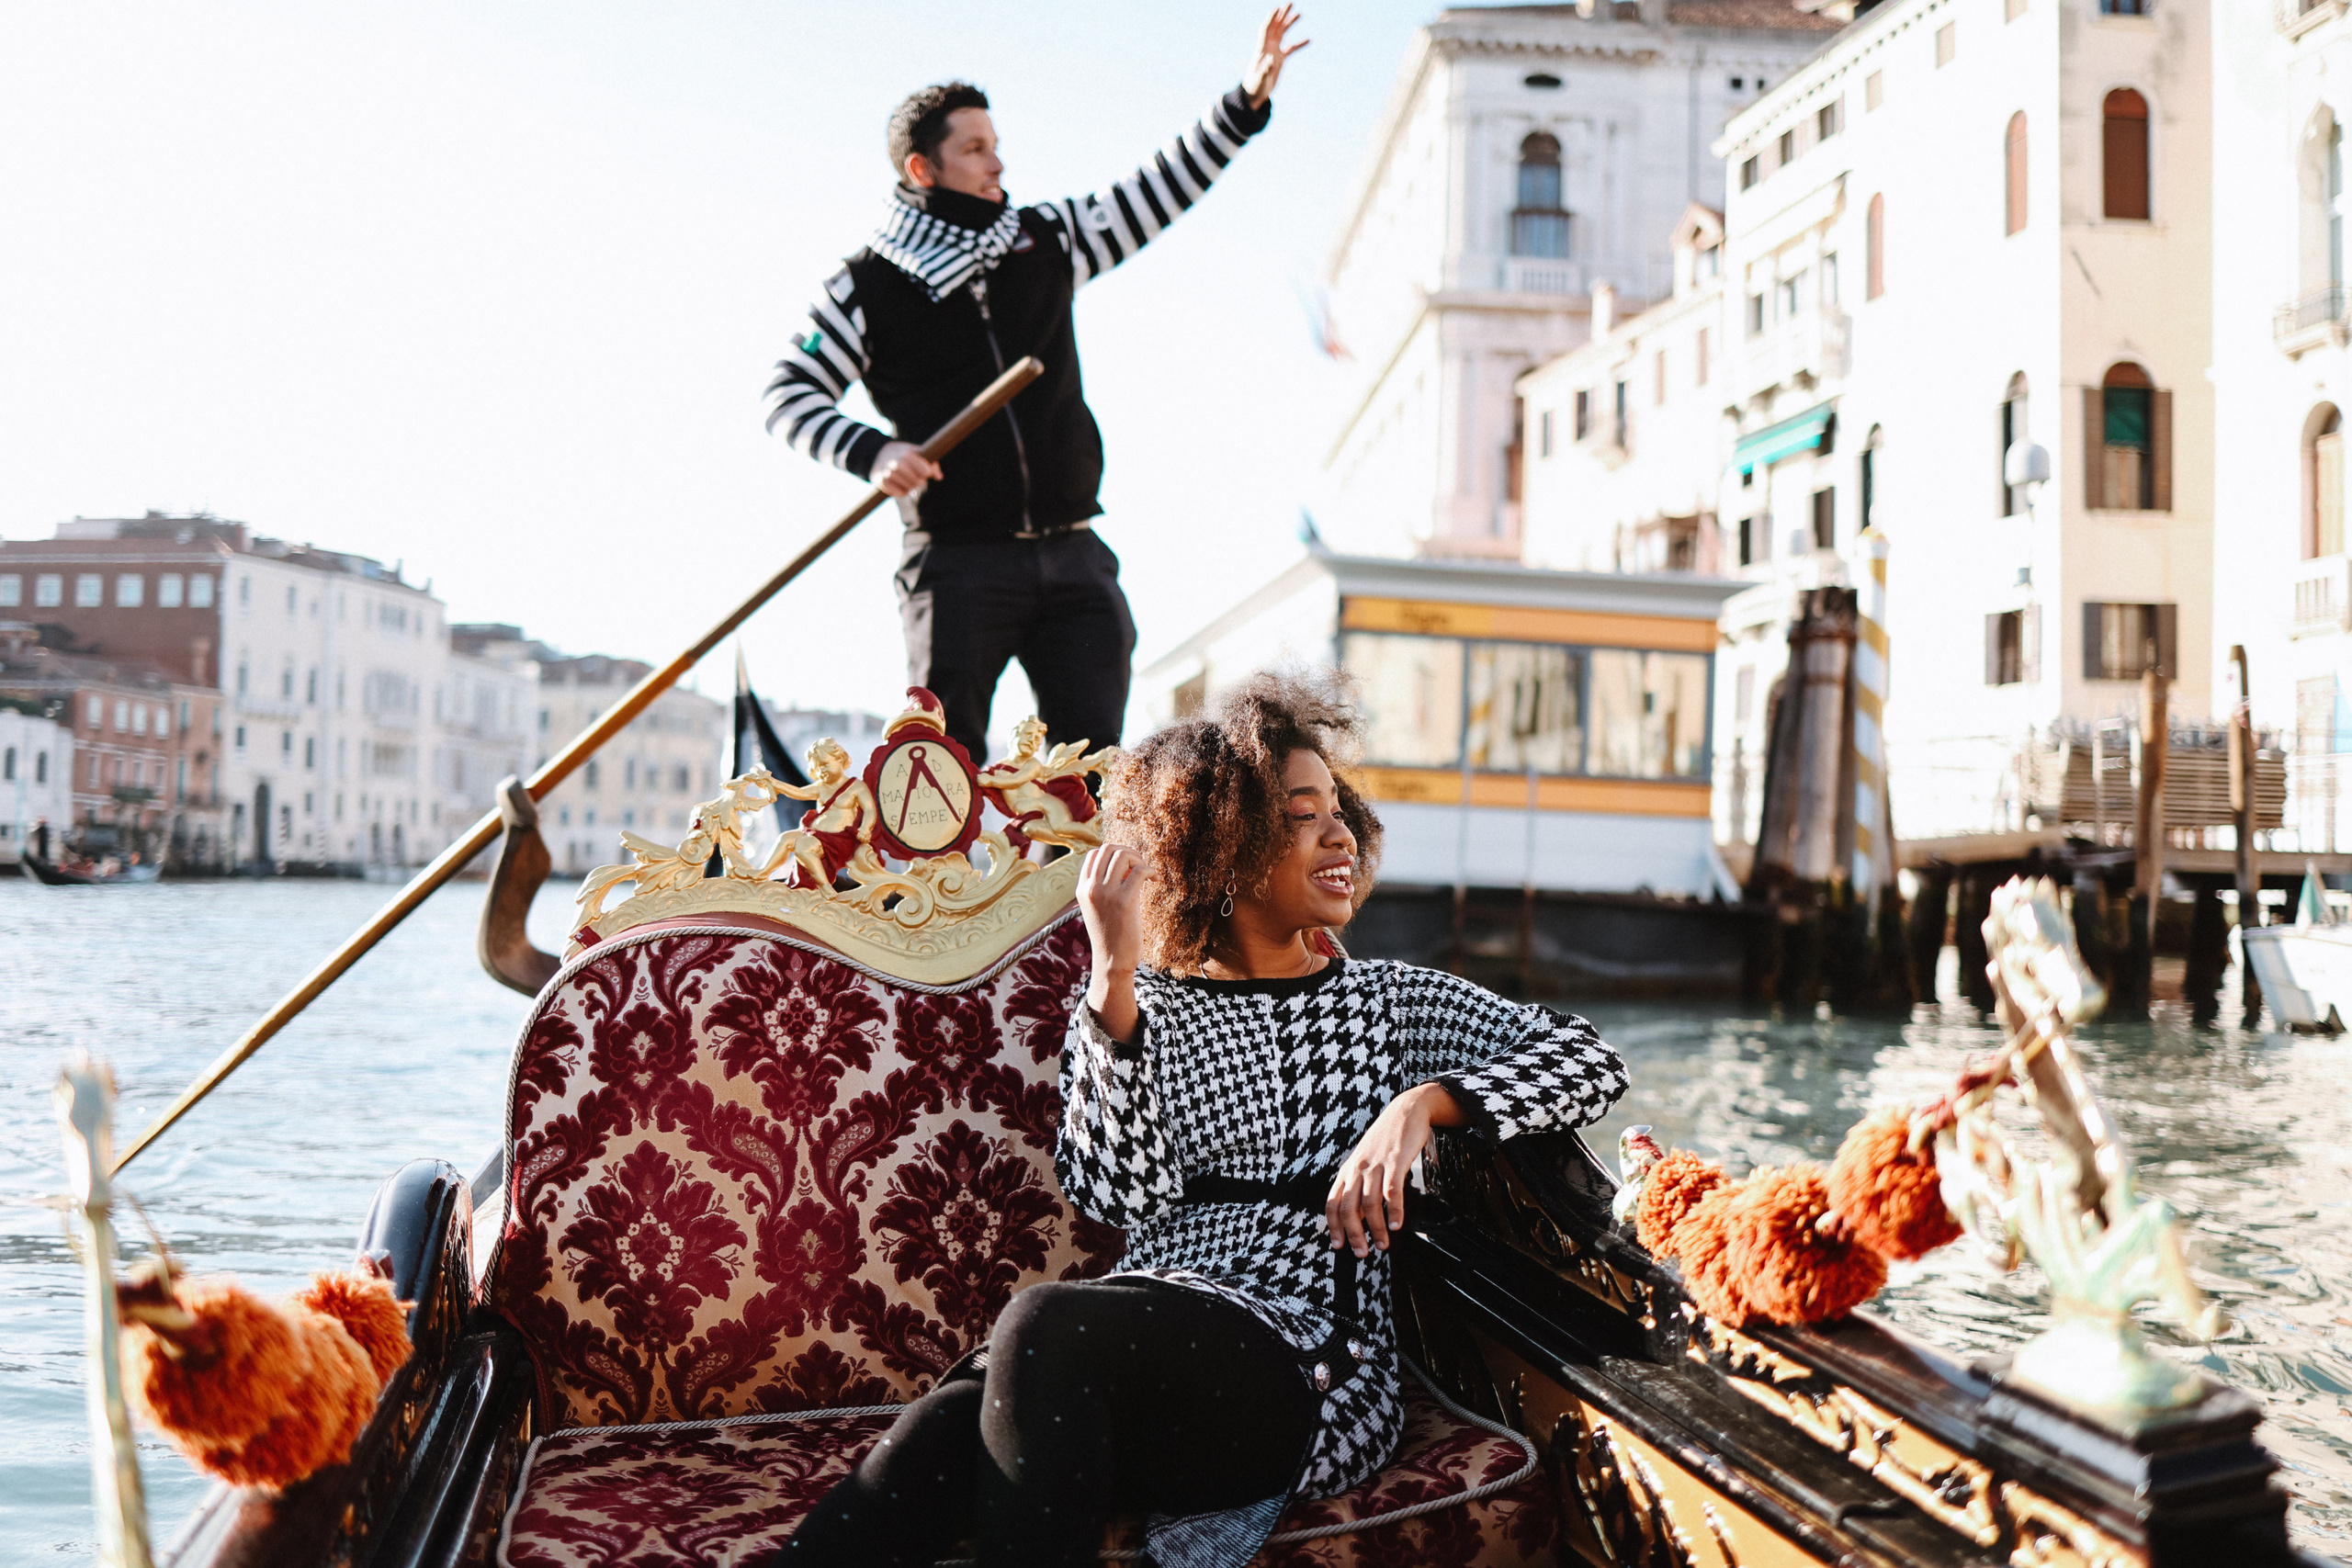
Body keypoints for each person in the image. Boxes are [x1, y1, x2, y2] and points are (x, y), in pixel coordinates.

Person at [776, 671, 1628, 1568]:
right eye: (1301, 815)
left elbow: (1586, 1059)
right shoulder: (1140, 1007)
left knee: (1036, 1324)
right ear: (1222, 844)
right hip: (1147, 1339)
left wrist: (1423, 1105)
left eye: (1338, 810)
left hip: (1307, 1362)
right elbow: (1117, 1190)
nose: (1339, 832)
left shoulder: (1388, 1004)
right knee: (944, 1428)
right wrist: (1111, 984)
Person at [764, 10, 1310, 764]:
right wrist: (873, 451)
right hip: (956, 565)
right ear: (923, 169)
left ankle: (1079, 887)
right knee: (940, 773)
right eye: (977, 149)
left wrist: (1243, 105)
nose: (998, 165)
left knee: (1091, 776)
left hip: (1073, 555)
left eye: (997, 145)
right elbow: (788, 395)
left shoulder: (1046, 238)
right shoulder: (867, 284)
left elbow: (1153, 193)